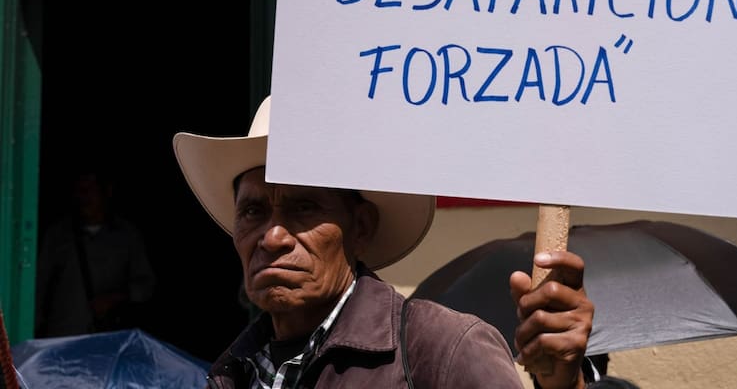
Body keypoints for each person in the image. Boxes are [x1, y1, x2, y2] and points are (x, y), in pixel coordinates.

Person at [173, 96, 595, 388]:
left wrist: (564, 385)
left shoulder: (441, 351)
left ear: (360, 226)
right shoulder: (233, 370)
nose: (273, 236)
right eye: (252, 211)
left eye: (303, 208)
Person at [35, 168, 156, 337]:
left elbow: (146, 285)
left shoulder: (126, 235)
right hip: (63, 335)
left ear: (107, 192)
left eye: (90, 189)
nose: (84, 197)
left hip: (109, 338)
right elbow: (38, 285)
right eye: (80, 190)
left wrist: (114, 298)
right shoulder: (58, 235)